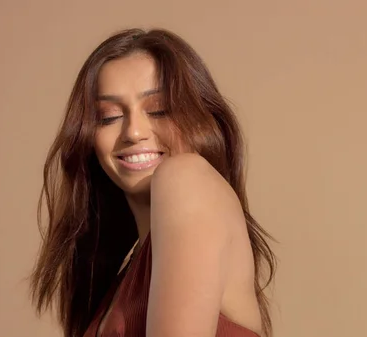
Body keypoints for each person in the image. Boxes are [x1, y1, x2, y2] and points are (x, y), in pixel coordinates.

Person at [30, 28, 277, 337]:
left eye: (158, 110)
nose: (133, 132)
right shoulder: (122, 276)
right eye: (108, 117)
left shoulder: (185, 178)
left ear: (202, 120)